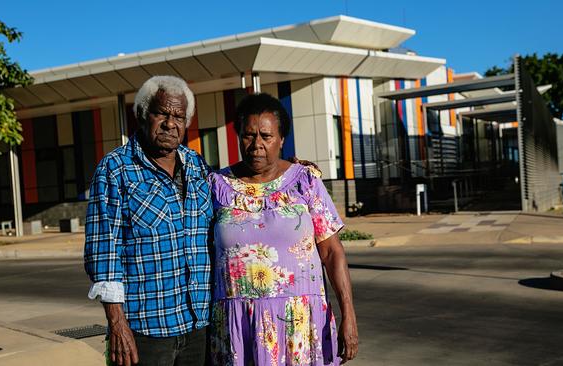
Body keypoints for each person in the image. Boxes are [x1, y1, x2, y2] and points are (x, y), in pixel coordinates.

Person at [207, 93, 358, 365]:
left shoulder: (305, 182)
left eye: (266, 136)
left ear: (282, 139)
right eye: (248, 135)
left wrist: (348, 314)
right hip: (238, 325)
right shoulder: (216, 186)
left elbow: (332, 253)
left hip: (298, 324)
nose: (256, 145)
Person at [84, 75, 212, 366]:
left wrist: (285, 166)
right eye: (162, 113)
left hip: (199, 326)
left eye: (179, 116)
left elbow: (237, 185)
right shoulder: (115, 170)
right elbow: (105, 253)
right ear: (143, 114)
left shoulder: (197, 166)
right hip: (145, 331)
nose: (170, 123)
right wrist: (117, 324)